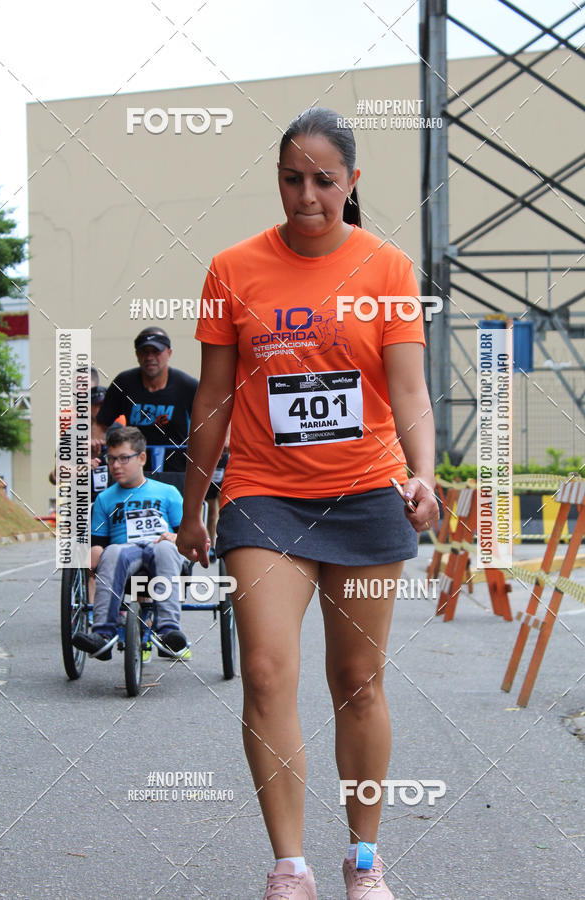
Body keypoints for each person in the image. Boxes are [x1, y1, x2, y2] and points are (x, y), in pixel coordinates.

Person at [175, 107, 439, 899]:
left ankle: (364, 857)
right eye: (293, 178)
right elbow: (214, 399)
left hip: (367, 492)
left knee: (357, 679)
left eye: (325, 179)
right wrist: (195, 503)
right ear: (278, 181)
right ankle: (290, 863)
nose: (307, 194)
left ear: (352, 182)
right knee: (263, 669)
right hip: (266, 496)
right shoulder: (232, 269)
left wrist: (422, 473)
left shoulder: (388, 269)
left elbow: (409, 391)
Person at [72, 426, 191, 661]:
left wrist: (176, 537)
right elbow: (98, 543)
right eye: (111, 459)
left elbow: (186, 534)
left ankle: (168, 630)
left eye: (124, 458)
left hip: (162, 548)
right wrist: (93, 557)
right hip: (125, 554)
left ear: (142, 458)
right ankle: (103, 635)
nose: (116, 465)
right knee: (113, 551)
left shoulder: (168, 492)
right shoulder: (105, 499)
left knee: (166, 548)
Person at [92, 327, 198, 473]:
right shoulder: (124, 383)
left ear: (169, 353)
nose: (149, 357)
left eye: (156, 351)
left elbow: (214, 415)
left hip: (176, 471)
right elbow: (100, 424)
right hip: (134, 471)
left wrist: (225, 439)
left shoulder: (186, 385)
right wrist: (94, 443)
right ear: (136, 354)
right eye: (144, 351)